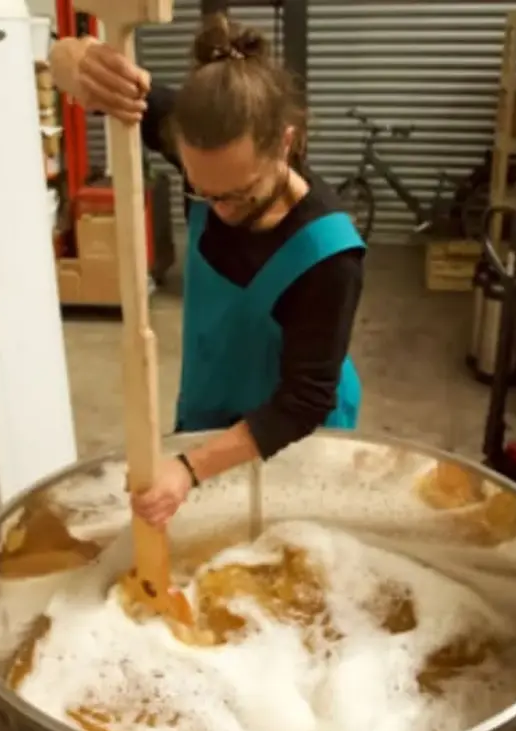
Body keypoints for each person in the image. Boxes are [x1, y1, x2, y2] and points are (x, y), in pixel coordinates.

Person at [50, 15, 365, 529]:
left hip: (293, 429)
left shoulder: (328, 254)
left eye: (239, 194)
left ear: (285, 143)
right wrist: (76, 63)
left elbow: (302, 401)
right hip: (214, 394)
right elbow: (68, 58)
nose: (220, 210)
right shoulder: (201, 136)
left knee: (287, 544)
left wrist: (190, 468)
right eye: (203, 192)